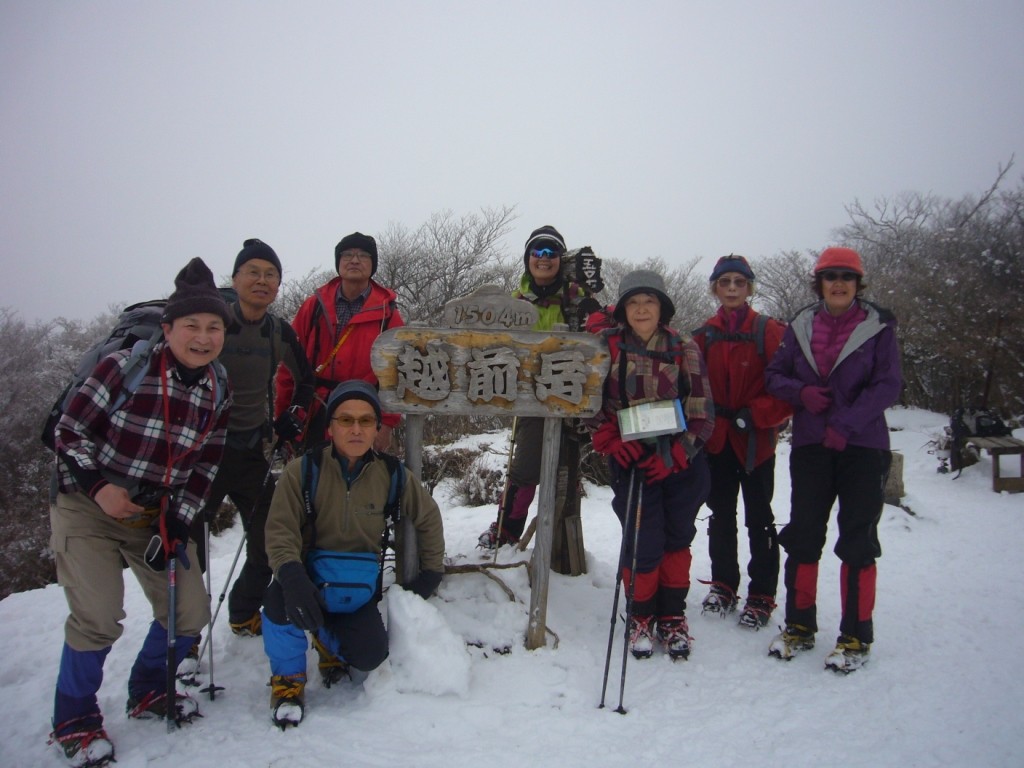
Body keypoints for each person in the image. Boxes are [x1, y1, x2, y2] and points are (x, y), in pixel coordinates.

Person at [48, 258, 232, 766]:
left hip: (155, 513)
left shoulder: (218, 385)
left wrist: (183, 516)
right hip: (87, 505)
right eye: (191, 326)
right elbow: (67, 431)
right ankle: (75, 718)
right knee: (99, 617)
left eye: (213, 327)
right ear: (168, 328)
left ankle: (149, 688)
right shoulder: (124, 366)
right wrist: (98, 485)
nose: (203, 337)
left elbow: (206, 463)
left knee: (189, 613)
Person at [261, 380, 445, 727]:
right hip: (307, 582)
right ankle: (288, 682)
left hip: (355, 592)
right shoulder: (303, 471)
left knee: (370, 655)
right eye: (345, 420)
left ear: (378, 427)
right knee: (277, 604)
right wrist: (290, 575)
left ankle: (327, 642)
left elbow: (428, 516)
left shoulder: (392, 475)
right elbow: (280, 530)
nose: (356, 429)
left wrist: (431, 572)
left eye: (365, 420)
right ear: (330, 427)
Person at [765, 246, 902, 673]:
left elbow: (888, 385)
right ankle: (799, 626)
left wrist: (848, 422)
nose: (839, 283)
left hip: (863, 446)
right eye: (830, 276)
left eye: (847, 276)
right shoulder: (801, 325)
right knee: (804, 533)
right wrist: (800, 392)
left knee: (858, 538)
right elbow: (774, 374)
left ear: (858, 283)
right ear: (819, 282)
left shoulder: (877, 327)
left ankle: (856, 634)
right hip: (810, 444)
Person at [189, 238, 315, 638]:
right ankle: (185, 634)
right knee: (189, 554)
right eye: (253, 272)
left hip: (249, 452)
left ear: (278, 285)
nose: (262, 281)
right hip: (199, 455)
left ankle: (243, 613)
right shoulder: (212, 326)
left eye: (271, 275)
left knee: (268, 543)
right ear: (236, 278)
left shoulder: (278, 331)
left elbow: (306, 379)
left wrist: (293, 416)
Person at [587, 270, 714, 660]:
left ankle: (672, 615)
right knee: (642, 539)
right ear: (623, 309)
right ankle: (641, 615)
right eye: (634, 302)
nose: (642, 309)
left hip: (679, 461)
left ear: (662, 308)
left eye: (650, 302)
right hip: (631, 458)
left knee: (677, 537)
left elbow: (702, 410)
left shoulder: (683, 346)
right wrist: (607, 438)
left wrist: (680, 454)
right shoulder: (604, 346)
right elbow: (585, 400)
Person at [477, 225, 593, 568]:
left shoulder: (579, 299)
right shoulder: (515, 302)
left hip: (572, 396)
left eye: (551, 253)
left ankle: (561, 543)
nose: (544, 259)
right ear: (528, 259)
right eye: (537, 253)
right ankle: (507, 530)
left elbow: (600, 335)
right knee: (526, 467)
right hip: (529, 396)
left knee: (565, 473)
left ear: (561, 259)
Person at [693, 255, 792, 629]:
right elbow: (691, 388)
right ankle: (723, 584)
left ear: (750, 287)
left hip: (756, 442)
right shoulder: (703, 335)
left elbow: (788, 389)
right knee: (720, 516)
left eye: (739, 282)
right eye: (725, 282)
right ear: (715, 288)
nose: (732, 288)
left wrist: (758, 413)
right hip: (717, 440)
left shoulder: (770, 331)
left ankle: (762, 593)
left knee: (760, 518)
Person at [276, 232, 403, 453]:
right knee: (313, 480)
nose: (355, 260)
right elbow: (289, 365)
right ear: (338, 262)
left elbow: (398, 372)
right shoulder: (314, 306)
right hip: (316, 411)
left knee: (361, 481)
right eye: (347, 255)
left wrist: (387, 424)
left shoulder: (387, 313)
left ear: (372, 265)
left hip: (365, 413)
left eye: (363, 255)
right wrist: (284, 414)